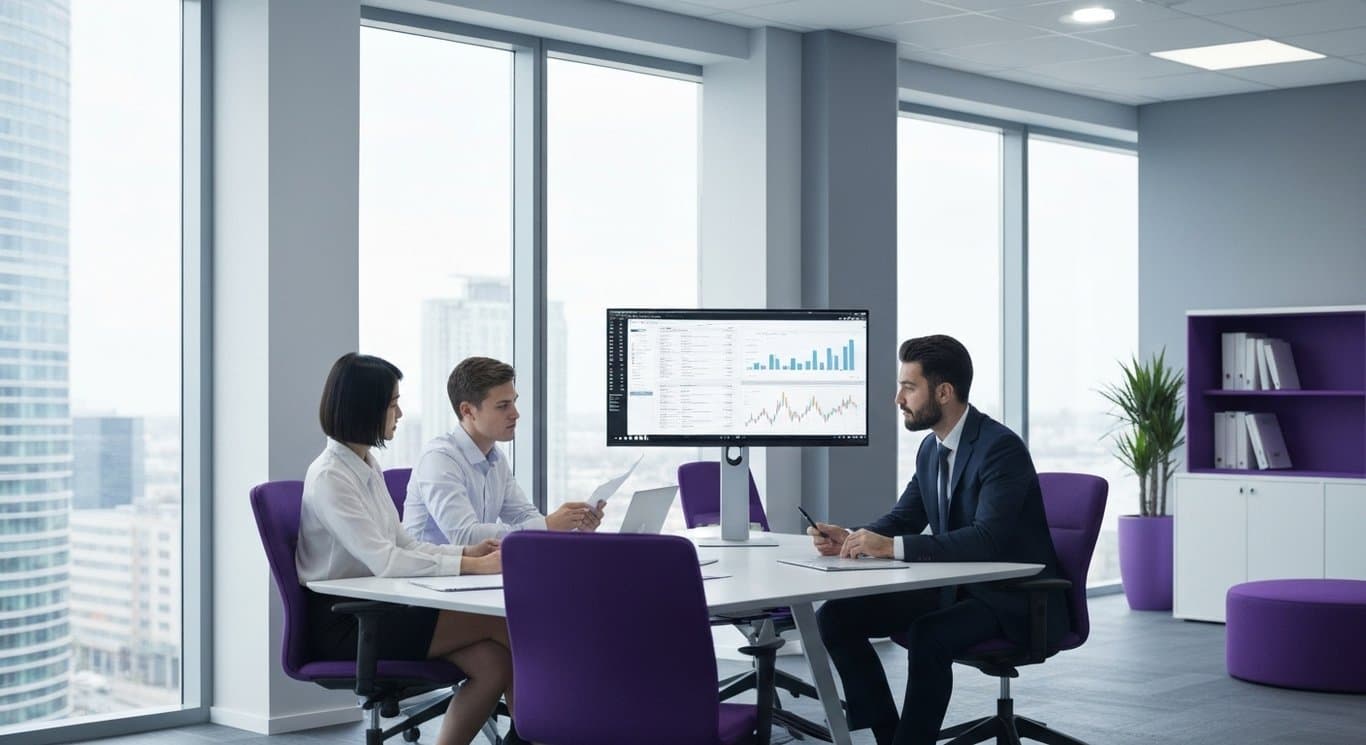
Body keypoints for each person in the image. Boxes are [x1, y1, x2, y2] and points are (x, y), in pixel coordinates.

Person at [807, 335, 1067, 745]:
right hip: (959, 590)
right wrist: (852, 536)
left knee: (930, 635)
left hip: (1010, 596)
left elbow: (987, 539)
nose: (898, 399)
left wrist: (889, 548)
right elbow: (904, 516)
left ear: (944, 392)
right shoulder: (932, 449)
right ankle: (890, 736)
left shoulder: (1000, 449)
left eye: (909, 387)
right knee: (836, 617)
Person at [296, 353, 525, 745]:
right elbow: (386, 561)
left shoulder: (364, 465)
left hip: (383, 605)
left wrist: (468, 555)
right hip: (347, 620)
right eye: (391, 403)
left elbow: (405, 543)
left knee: (494, 662)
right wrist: (472, 568)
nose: (399, 413)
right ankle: (530, 739)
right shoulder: (331, 477)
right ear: (364, 407)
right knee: (509, 626)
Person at [403, 356, 603, 546]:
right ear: (468, 411)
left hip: (477, 575)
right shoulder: (439, 459)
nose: (515, 414)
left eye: (513, 402)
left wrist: (573, 527)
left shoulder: (495, 458)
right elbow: (465, 536)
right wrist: (549, 525)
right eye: (503, 406)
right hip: (429, 578)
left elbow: (525, 517)